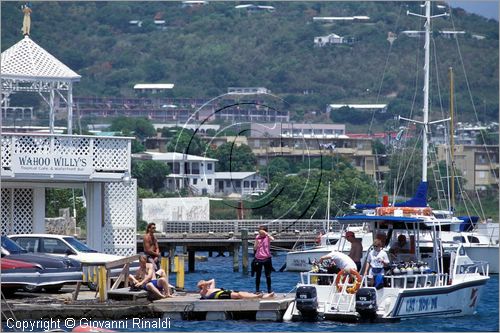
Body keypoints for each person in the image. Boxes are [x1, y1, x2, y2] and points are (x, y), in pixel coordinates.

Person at [197, 278, 275, 300]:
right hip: (221, 295)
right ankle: (257, 297)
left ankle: (266, 296)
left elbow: (213, 280)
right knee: (239, 295)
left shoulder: (211, 288)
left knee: (244, 292)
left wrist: (206, 281)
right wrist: (204, 283)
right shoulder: (202, 292)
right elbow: (200, 284)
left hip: (226, 292)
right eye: (205, 284)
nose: (207, 284)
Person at [254, 225, 274, 293]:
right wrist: (257, 245)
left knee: (268, 275)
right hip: (258, 258)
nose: (260, 233)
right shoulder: (257, 237)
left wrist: (266, 234)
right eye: (260, 232)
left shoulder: (267, 237)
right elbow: (255, 248)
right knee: (258, 275)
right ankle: (257, 290)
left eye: (262, 232)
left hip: (267, 258)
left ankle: (269, 290)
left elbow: (273, 239)